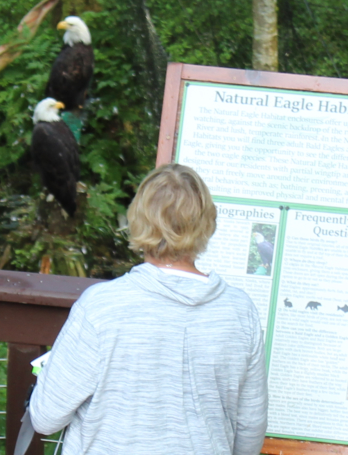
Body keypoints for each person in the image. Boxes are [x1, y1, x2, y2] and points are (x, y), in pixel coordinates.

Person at [28, 164, 269, 455]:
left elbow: (44, 417)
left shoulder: (100, 308)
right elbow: (250, 430)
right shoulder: (240, 312)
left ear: (138, 219)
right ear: (206, 222)